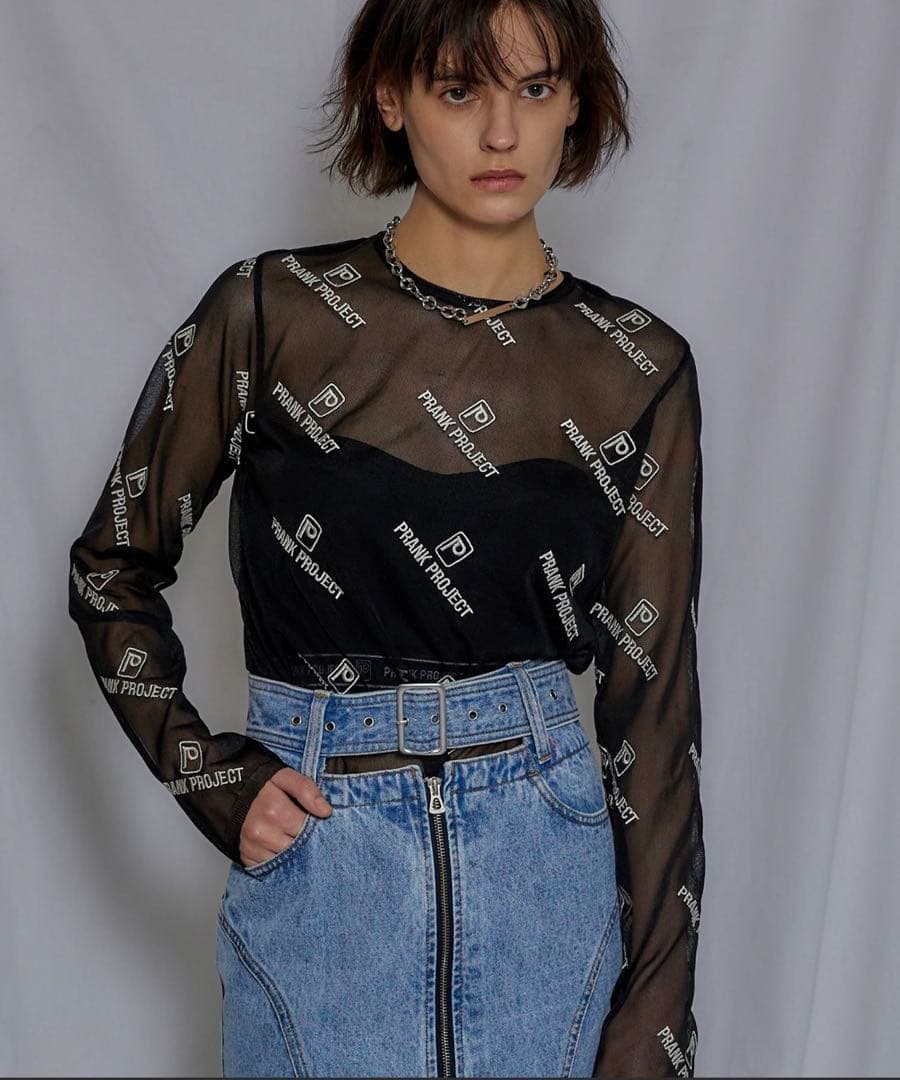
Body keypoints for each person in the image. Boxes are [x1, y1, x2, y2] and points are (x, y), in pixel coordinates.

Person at [66, 0, 705, 1076]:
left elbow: (656, 706)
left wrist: (658, 1018)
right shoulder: (269, 314)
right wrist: (209, 777)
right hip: (326, 877)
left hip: (548, 885)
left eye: (536, 89)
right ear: (391, 98)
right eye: (460, 91)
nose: (501, 133)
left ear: (575, 105)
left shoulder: (636, 366)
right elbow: (111, 571)